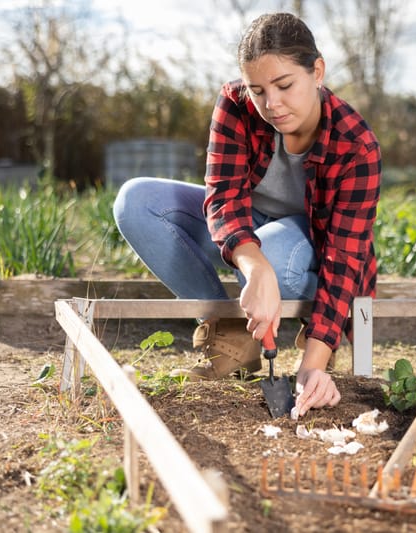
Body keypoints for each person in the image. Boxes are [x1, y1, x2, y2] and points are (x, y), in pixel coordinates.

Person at [112, 12, 381, 418]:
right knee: (135, 201)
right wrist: (253, 266)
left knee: (272, 250)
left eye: (284, 85)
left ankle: (308, 325)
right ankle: (233, 336)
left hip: (308, 250)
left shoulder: (357, 145)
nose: (271, 104)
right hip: (250, 235)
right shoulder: (236, 105)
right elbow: (223, 197)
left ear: (317, 72)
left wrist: (313, 366)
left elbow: (344, 259)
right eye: (258, 90)